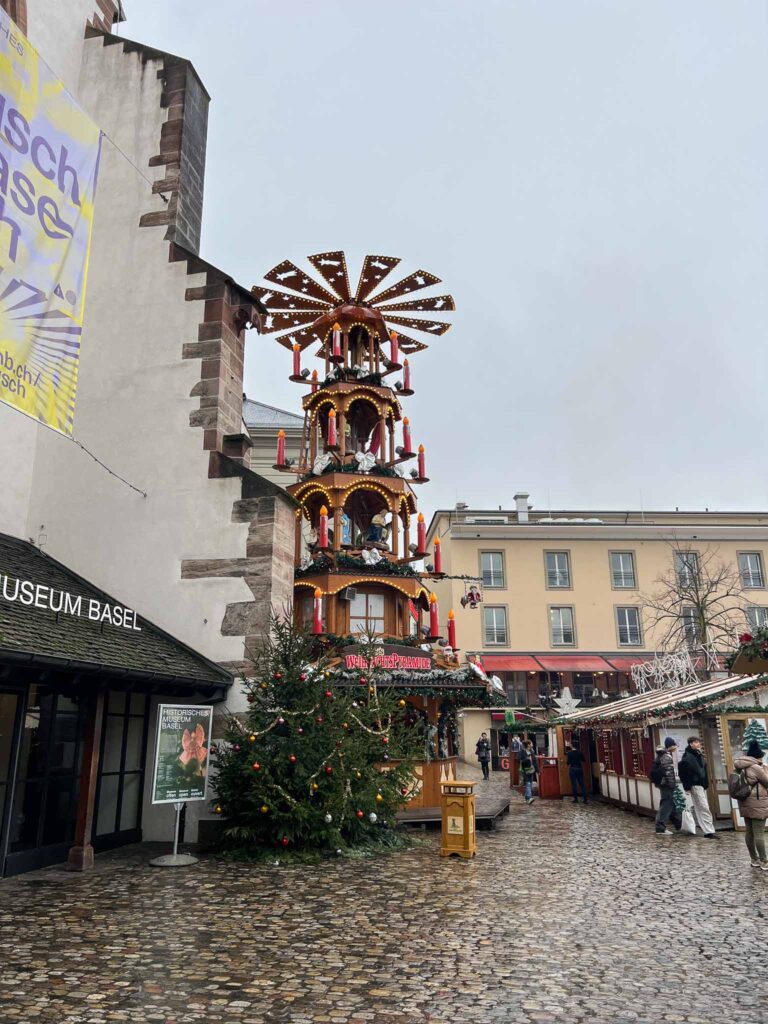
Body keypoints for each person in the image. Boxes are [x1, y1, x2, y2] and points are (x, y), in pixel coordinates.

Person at [733, 739, 768, 870]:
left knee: (749, 832)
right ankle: (764, 861)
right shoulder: (756, 767)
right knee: (759, 833)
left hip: (744, 802)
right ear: (758, 756)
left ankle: (754, 859)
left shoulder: (740, 765)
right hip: (758, 803)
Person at [678, 736, 717, 839]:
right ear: (691, 744)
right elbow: (684, 773)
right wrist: (687, 787)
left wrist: (705, 783)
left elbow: (703, 770)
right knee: (703, 807)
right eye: (696, 742)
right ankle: (709, 831)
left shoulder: (698, 755)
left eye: (699, 742)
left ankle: (708, 831)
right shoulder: (688, 756)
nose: (698, 743)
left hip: (700, 785)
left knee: (701, 807)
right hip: (695, 785)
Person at [652, 737, 682, 836]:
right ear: (671, 746)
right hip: (666, 785)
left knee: (670, 804)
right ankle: (660, 827)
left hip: (663, 784)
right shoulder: (667, 757)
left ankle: (678, 824)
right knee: (666, 805)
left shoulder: (662, 756)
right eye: (674, 745)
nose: (676, 747)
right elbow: (668, 773)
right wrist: (672, 785)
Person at [519, 739, 537, 804]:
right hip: (525, 770)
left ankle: (527, 798)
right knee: (528, 784)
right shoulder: (522, 752)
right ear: (528, 745)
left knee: (530, 784)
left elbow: (535, 761)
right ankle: (529, 798)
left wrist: (537, 770)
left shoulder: (532, 751)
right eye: (531, 743)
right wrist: (527, 759)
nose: (532, 744)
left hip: (531, 770)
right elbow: (519, 760)